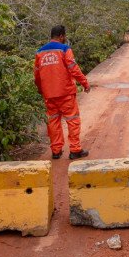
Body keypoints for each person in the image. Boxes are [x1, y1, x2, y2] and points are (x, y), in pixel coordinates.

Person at [34, 25, 90, 160]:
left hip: (49, 95)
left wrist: (42, 90)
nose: (65, 38)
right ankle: (75, 150)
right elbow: (73, 69)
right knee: (72, 120)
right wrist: (85, 83)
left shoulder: (40, 52)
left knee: (53, 122)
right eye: (64, 36)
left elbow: (36, 75)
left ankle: (56, 151)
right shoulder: (65, 50)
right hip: (65, 94)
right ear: (61, 36)